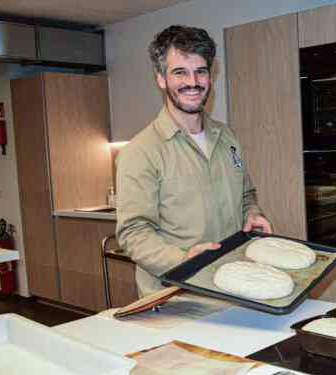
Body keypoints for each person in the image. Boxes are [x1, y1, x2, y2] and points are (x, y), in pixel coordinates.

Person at [116, 25, 272, 297]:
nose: (193, 81)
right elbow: (134, 233)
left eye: (201, 71)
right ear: (161, 79)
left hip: (232, 286)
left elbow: (246, 193)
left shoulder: (227, 137)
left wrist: (253, 213)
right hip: (175, 297)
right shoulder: (140, 152)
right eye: (180, 72)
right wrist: (185, 259)